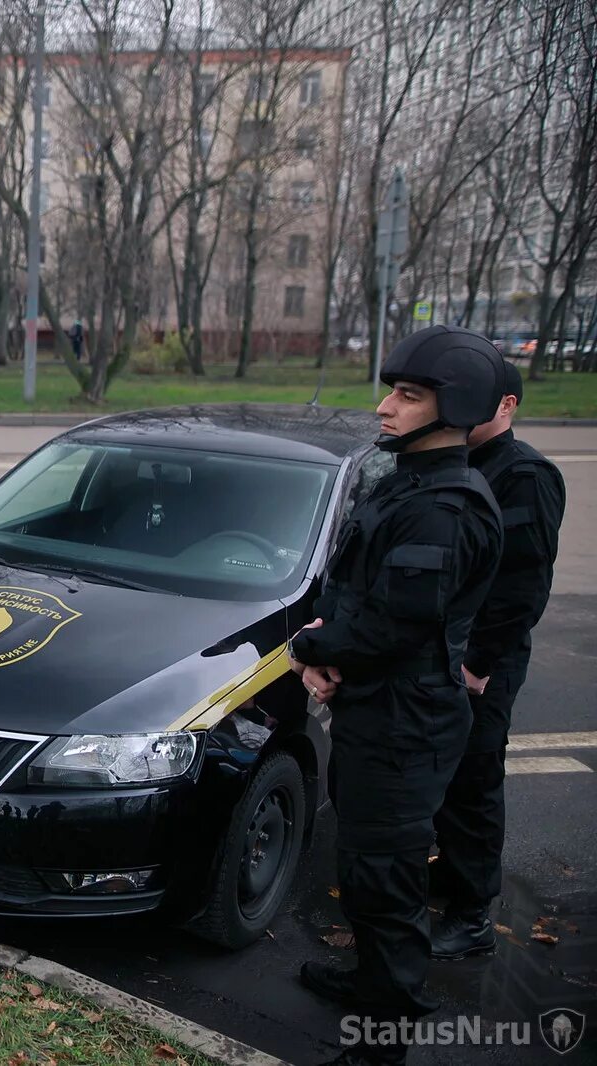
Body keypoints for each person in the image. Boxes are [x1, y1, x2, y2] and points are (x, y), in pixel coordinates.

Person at [287, 325, 504, 1066]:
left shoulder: (445, 508)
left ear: (456, 406)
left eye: (407, 396)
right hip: (377, 710)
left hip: (405, 722)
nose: (384, 407)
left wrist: (310, 649)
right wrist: (328, 644)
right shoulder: (413, 483)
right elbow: (365, 597)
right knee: (365, 867)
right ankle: (370, 979)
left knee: (387, 879)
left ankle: (384, 1036)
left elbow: (394, 623)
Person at [429, 357, 565, 959]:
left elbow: (522, 589)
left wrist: (478, 663)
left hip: (482, 662)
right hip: (445, 650)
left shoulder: (524, 475)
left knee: (473, 784)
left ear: (506, 405)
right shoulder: (459, 460)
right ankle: (453, 877)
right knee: (443, 776)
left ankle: (472, 916)